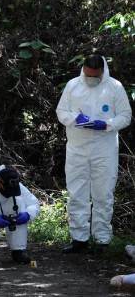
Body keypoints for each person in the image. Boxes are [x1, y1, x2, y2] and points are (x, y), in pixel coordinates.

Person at [56, 54, 131, 253]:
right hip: (77, 148)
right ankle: (79, 239)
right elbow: (61, 111)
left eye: (94, 76)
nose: (90, 79)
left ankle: (102, 240)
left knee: (103, 193)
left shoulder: (114, 87)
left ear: (102, 71)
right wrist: (76, 119)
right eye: (87, 75)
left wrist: (106, 124)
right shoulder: (72, 85)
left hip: (104, 149)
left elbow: (126, 116)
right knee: (77, 193)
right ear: (83, 70)